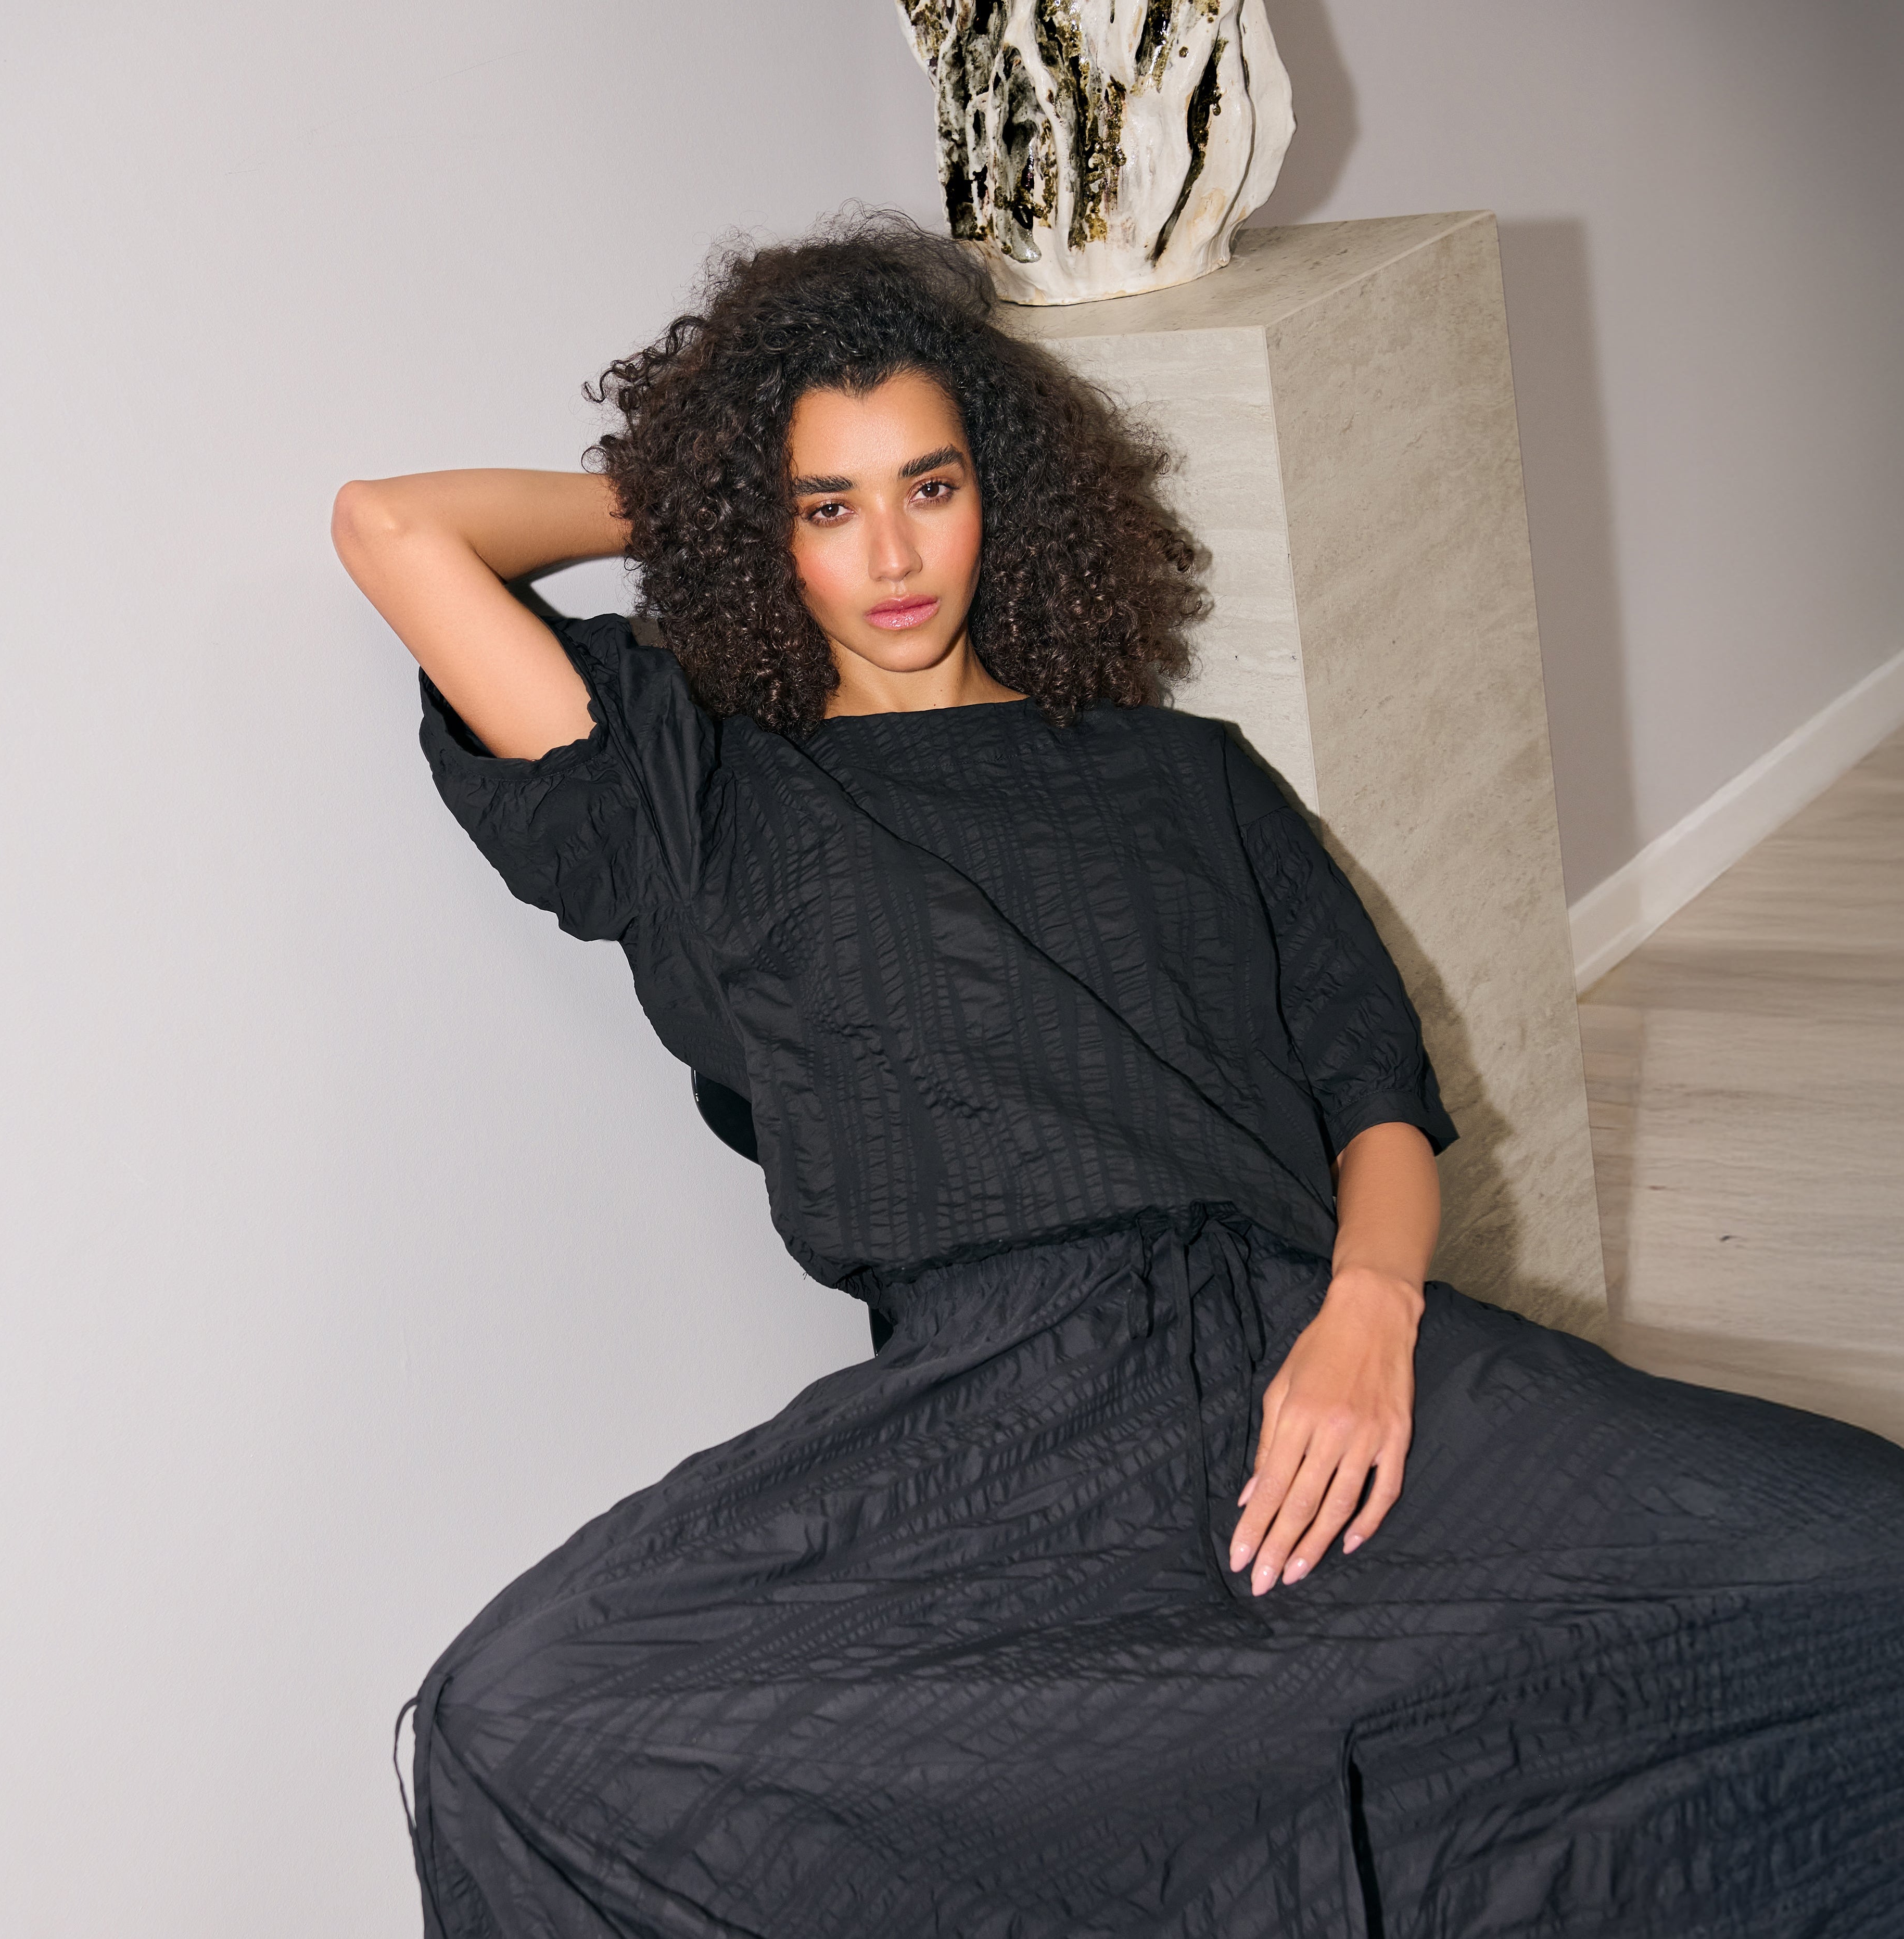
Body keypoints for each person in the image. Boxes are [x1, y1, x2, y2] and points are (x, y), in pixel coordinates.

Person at [332, 217, 1904, 1938]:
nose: (891, 554)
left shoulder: (1187, 776)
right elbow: (395, 531)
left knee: (1859, 1559)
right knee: (517, 1716)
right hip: (983, 1426)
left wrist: (1369, 1317)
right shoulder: (703, 797)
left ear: (999, 491)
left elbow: (1375, 1095)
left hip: (1300, 1344)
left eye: (932, 486)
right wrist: (716, 488)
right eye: (829, 509)